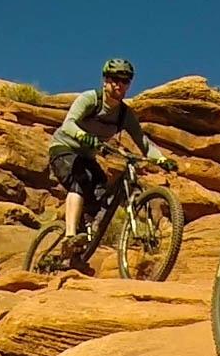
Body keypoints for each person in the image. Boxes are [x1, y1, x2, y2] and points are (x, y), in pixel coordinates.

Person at [48, 58, 177, 257]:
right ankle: (69, 236)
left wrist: (160, 159)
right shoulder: (91, 99)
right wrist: (83, 136)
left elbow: (142, 141)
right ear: (105, 80)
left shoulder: (124, 114)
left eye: (125, 81)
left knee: (101, 193)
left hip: (87, 156)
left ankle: (80, 244)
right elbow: (68, 124)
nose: (119, 84)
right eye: (115, 79)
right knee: (80, 182)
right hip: (64, 149)